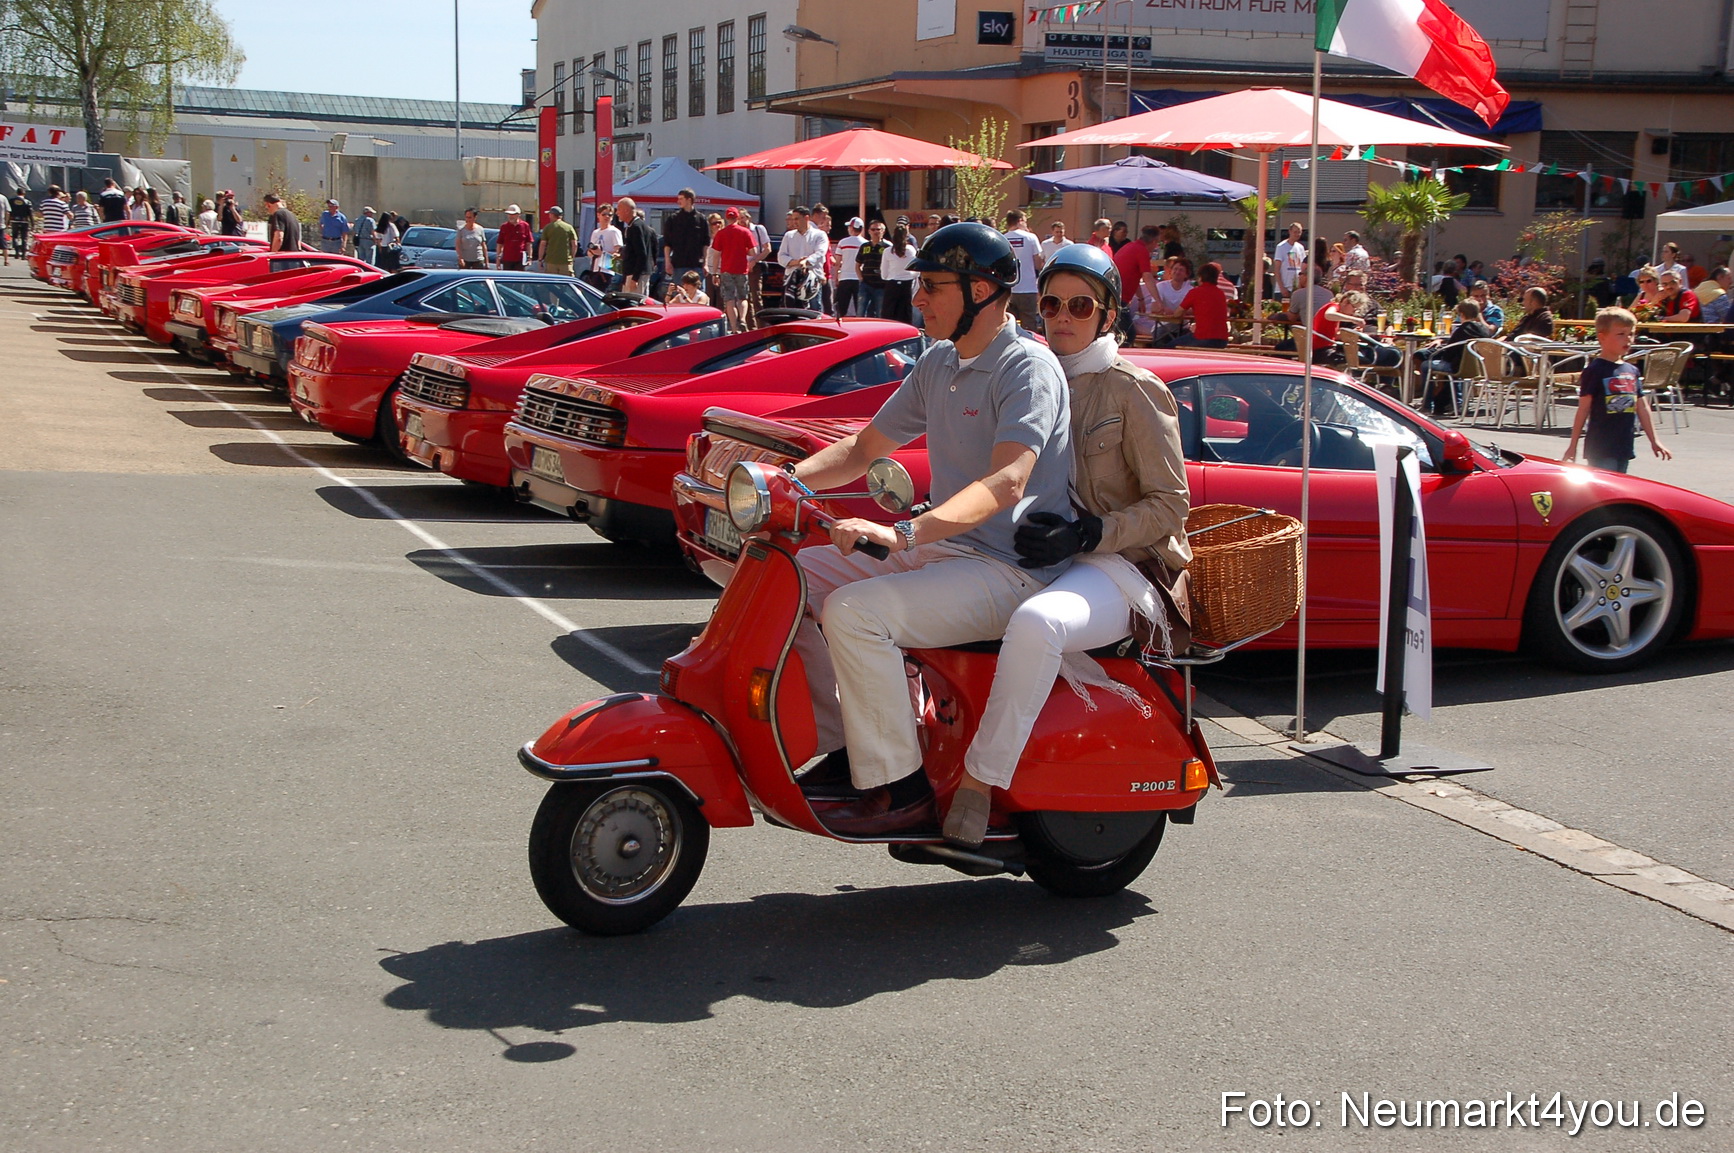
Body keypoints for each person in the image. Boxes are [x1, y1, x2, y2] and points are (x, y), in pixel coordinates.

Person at [786, 222, 1075, 835]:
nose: (916, 298)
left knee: (856, 613)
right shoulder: (939, 361)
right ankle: (846, 749)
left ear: (983, 292)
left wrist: (906, 534)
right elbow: (866, 448)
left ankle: (900, 786)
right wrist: (785, 479)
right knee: (796, 578)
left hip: (1009, 570)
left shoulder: (1028, 369)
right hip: (948, 554)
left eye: (933, 287)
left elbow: (1007, 485)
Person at [935, 242, 1192, 845]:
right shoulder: (1028, 373)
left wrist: (1090, 532)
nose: (1063, 317)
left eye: (1082, 305)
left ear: (1108, 315)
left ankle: (978, 782)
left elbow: (1171, 504)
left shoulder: (1132, 389)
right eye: (1051, 303)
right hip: (1036, 557)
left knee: (1037, 625)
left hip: (1121, 567)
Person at [1563, 308, 1672, 473]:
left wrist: (1654, 440)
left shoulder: (1631, 370)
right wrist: (1573, 446)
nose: (1627, 339)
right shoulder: (1595, 370)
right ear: (1602, 337)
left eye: (1631, 334)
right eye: (1620, 334)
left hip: (1624, 445)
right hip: (1601, 447)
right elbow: (1583, 409)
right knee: (1603, 490)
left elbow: (1642, 407)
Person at [1419, 300, 1495, 415]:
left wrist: (1439, 351)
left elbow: (1449, 353)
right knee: (1454, 368)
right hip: (1478, 368)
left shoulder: (1462, 330)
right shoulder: (1484, 330)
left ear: (1462, 315)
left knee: (1425, 365)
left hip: (1457, 367)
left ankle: (1427, 405)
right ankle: (1458, 403)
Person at [711, 207, 758, 332]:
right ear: (737, 217)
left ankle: (733, 327)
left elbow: (716, 255)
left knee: (729, 300)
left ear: (726, 218)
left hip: (726, 270)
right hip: (742, 269)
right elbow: (754, 252)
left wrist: (715, 273)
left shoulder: (721, 233)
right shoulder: (745, 232)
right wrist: (744, 250)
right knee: (743, 297)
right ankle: (742, 319)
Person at [777, 205, 829, 311]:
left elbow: (820, 253)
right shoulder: (788, 236)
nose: (794, 222)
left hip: (812, 280)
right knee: (791, 311)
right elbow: (781, 257)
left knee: (814, 312)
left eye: (797, 219)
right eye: (792, 219)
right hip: (792, 280)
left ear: (806, 218)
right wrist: (797, 262)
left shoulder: (819, 235)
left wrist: (806, 261)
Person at [1002, 209, 1044, 330]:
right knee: (1029, 324)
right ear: (1020, 221)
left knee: (1008, 323)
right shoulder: (1031, 237)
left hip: (1008, 288)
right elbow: (1038, 263)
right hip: (1027, 288)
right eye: (1025, 221)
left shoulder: (1003, 238)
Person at [662, 188, 708, 295]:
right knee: (679, 295)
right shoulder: (673, 219)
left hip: (697, 264)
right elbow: (667, 243)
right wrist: (667, 262)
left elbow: (705, 244)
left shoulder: (701, 219)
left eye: (681, 199)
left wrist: (706, 263)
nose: (678, 201)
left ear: (689, 200)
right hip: (679, 264)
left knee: (698, 294)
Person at [1176, 261, 1232, 348]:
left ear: (1200, 277)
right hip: (1222, 339)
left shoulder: (1195, 292)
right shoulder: (1220, 293)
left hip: (1203, 337)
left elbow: (1177, 314)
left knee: (1168, 347)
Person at [880, 219, 918, 325]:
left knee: (889, 314)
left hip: (892, 284)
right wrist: (910, 276)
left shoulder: (887, 251)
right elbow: (916, 269)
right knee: (905, 314)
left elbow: (883, 273)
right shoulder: (910, 250)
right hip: (907, 285)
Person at [740, 208, 772, 324]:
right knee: (744, 298)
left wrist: (754, 261)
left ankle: (761, 325)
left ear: (748, 218)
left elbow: (767, 249)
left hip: (755, 265)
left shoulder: (758, 229)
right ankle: (750, 327)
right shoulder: (739, 232)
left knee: (755, 297)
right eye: (738, 219)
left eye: (742, 218)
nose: (741, 221)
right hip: (741, 266)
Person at [854, 218, 889, 319]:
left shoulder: (887, 247)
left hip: (881, 286)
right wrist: (861, 278)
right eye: (873, 229)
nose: (875, 232)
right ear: (869, 231)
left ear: (883, 231)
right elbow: (857, 264)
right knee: (860, 312)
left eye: (878, 229)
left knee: (879, 313)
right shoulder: (864, 246)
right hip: (865, 284)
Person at [833, 217, 865, 317]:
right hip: (859, 279)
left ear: (851, 228)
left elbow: (837, 262)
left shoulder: (843, 242)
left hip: (844, 278)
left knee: (841, 308)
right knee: (859, 308)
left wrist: (836, 277)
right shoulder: (865, 243)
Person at [585, 202, 621, 288]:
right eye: (604, 214)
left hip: (607, 270)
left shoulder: (614, 231)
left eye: (610, 215)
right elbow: (590, 252)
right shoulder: (595, 232)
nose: (607, 217)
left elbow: (618, 251)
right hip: (594, 268)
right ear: (598, 215)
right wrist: (592, 253)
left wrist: (602, 253)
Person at [536, 205, 579, 277]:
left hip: (551, 261)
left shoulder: (548, 227)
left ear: (552, 215)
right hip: (565, 262)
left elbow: (543, 244)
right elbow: (574, 244)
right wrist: (572, 258)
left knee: (552, 285)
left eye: (549, 214)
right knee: (567, 283)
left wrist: (540, 259)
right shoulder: (569, 227)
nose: (549, 216)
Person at [1274, 222, 1305, 295]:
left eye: (1299, 232)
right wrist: (1282, 288)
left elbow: (1303, 268)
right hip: (1284, 288)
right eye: (1295, 232)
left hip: (1297, 288)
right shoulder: (1281, 247)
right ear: (1290, 231)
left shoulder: (1300, 247)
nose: (1297, 234)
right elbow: (1277, 269)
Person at [702, 212, 725, 302]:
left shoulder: (725, 237)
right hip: (709, 271)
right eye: (714, 223)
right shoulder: (707, 239)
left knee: (721, 299)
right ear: (710, 226)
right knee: (709, 298)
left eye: (719, 222)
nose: (717, 225)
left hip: (723, 271)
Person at [7, 188, 30, 256]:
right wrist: (32, 222)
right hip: (24, 221)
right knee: (24, 237)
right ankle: (23, 253)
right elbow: (30, 213)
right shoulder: (27, 202)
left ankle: (16, 252)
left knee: (15, 236)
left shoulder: (11, 201)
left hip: (14, 220)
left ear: (17, 193)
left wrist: (8, 221)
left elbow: (9, 212)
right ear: (24, 193)